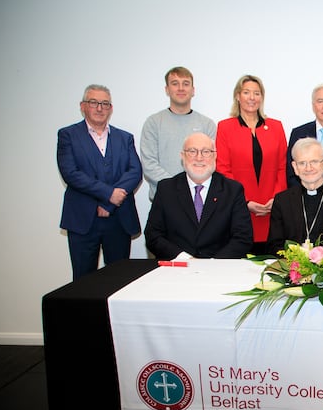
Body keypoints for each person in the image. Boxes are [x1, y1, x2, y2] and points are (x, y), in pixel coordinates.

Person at [57, 84, 142, 280]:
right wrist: (108, 194)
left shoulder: (124, 138)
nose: (99, 108)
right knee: (83, 282)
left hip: (118, 219)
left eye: (105, 103)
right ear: (83, 106)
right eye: (93, 102)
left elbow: (135, 171)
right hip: (83, 220)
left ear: (111, 108)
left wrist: (109, 203)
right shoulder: (68, 135)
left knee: (119, 280)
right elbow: (71, 173)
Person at [144, 133, 253, 260]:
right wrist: (184, 259)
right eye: (192, 151)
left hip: (219, 270)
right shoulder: (166, 189)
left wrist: (212, 264)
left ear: (215, 156)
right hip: (177, 269)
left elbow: (243, 237)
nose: (199, 158)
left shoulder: (232, 190)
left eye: (206, 152)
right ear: (182, 156)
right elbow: (153, 235)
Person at [216, 75, 287, 255]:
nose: (252, 97)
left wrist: (277, 200)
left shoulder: (276, 126)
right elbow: (223, 169)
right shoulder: (225, 127)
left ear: (262, 97)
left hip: (272, 210)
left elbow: (282, 167)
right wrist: (244, 201)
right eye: (246, 92)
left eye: (256, 93)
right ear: (238, 96)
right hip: (240, 210)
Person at [267, 138, 323, 255]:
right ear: (295, 167)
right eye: (302, 163)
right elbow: (274, 246)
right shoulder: (282, 201)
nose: (308, 168)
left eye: (314, 162)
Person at [140, 66, 217, 202]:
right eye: (175, 84)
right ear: (167, 89)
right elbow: (149, 164)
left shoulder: (207, 124)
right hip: (164, 200)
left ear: (193, 90)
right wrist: (177, 188)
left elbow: (209, 162)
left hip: (198, 201)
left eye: (186, 84)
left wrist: (189, 189)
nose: (181, 88)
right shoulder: (153, 122)